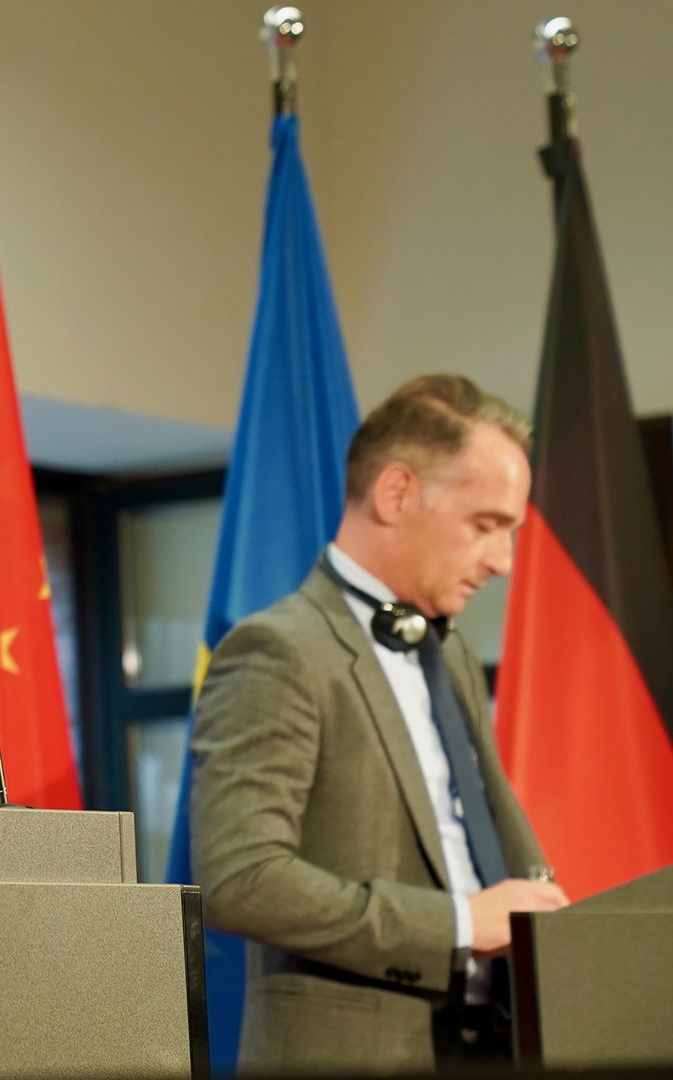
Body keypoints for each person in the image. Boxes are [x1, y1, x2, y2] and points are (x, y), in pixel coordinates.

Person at [191, 374, 569, 1074]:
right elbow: (240, 877)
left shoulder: (447, 651)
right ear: (396, 493)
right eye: (487, 526)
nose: (504, 563)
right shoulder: (279, 651)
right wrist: (460, 923)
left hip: (492, 1048)